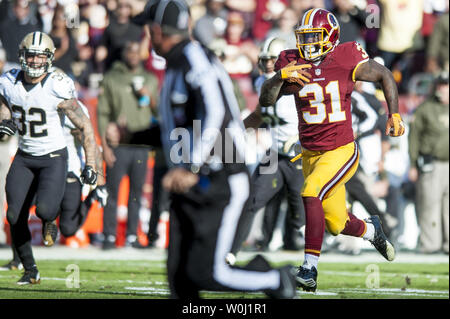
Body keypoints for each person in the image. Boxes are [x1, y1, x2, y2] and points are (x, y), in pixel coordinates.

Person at [142, 0, 297, 299]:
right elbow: (178, 127)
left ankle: (276, 280)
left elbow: (215, 113)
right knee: (180, 277)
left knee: (209, 273)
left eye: (149, 30)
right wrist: (132, 135)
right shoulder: (176, 63)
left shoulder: (193, 58)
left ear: (157, 30)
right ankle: (262, 269)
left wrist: (191, 166)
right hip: (195, 179)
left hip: (220, 176)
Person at [259, 8, 405, 291]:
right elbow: (266, 101)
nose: (309, 43)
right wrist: (279, 77)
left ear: (331, 36)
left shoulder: (346, 56)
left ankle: (309, 270)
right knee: (336, 223)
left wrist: (394, 114)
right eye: (305, 37)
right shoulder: (291, 60)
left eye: (315, 36)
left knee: (310, 191)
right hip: (311, 153)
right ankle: (371, 229)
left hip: (340, 150)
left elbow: (385, 75)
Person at [0, 31, 99, 285]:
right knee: (13, 216)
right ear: (22, 56)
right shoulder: (8, 81)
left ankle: (47, 220)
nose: (34, 62)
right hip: (24, 155)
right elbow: (3, 109)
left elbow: (85, 126)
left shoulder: (58, 84)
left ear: (50, 58)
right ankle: (30, 268)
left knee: (45, 209)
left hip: (54, 156)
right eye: (30, 56)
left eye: (39, 56)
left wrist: (91, 165)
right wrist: (4, 124)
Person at [0, 101, 108, 271]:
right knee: (17, 211)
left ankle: (89, 200)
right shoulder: (31, 98)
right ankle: (18, 258)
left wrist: (100, 181)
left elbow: (92, 144)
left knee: (68, 229)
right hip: (34, 166)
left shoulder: (72, 108)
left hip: (67, 170)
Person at [226, 37, 305, 265]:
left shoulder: (298, 84)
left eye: (272, 59)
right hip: (275, 153)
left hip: (299, 153)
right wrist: (237, 131)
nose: (268, 64)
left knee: (302, 217)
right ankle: (230, 254)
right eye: (265, 59)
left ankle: (361, 230)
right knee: (251, 201)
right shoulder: (266, 82)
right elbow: (260, 116)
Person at [97, 40, 159, 250]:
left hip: (141, 144)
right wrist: (105, 146)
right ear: (123, 52)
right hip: (119, 144)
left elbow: (159, 112)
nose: (133, 55)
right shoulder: (112, 78)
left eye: (136, 51)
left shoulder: (151, 79)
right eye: (129, 50)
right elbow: (103, 113)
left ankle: (132, 235)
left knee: (136, 193)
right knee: (112, 191)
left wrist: (148, 98)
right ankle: (109, 236)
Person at [408, 72, 449, 254]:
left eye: (446, 85)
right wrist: (412, 163)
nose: (442, 88)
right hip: (432, 163)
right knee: (430, 204)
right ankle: (431, 244)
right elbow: (414, 137)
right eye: (440, 84)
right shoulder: (425, 108)